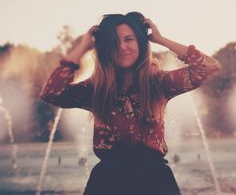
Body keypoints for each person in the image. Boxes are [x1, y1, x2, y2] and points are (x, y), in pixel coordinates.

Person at [40, 12, 220, 195]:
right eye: (114, 41)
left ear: (141, 44)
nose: (122, 47)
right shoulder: (96, 89)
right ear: (106, 48)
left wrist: (161, 40)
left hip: (155, 181)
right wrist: (83, 47)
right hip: (107, 182)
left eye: (129, 39)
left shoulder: (159, 83)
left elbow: (208, 67)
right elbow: (51, 94)